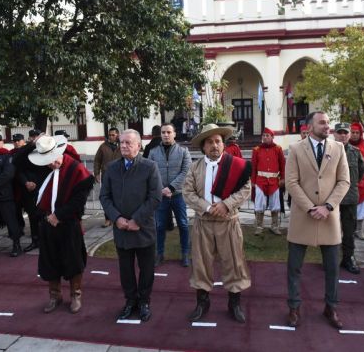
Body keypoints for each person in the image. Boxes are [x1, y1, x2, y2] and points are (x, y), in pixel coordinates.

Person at [285, 111, 350, 329]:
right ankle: (294, 306)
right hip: (303, 216)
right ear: (309, 127)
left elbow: (344, 181)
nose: (327, 126)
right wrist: (311, 208)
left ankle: (331, 307)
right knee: (294, 267)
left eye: (328, 122)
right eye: (322, 123)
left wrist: (328, 207)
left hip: (329, 217)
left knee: (332, 268)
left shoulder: (338, 148)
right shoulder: (295, 149)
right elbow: (291, 182)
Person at [183, 124, 252, 324]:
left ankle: (234, 303)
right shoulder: (195, 167)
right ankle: (202, 303)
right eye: (210, 142)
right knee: (201, 263)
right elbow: (187, 192)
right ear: (203, 147)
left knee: (234, 262)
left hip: (228, 222)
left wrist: (226, 204)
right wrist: (205, 206)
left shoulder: (236, 165)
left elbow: (245, 188)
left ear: (223, 144)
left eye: (218, 141)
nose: (215, 145)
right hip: (203, 223)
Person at [100, 129, 162, 322]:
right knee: (125, 269)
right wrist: (117, 218)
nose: (124, 146)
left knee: (146, 269)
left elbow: (155, 196)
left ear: (139, 145)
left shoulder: (149, 167)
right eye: (122, 142)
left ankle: (144, 301)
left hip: (143, 228)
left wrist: (137, 220)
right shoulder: (111, 168)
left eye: (128, 142)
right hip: (121, 229)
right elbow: (104, 196)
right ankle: (130, 301)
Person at [28, 135, 93, 314]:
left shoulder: (77, 169)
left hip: (69, 223)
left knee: (73, 261)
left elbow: (78, 201)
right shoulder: (43, 170)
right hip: (47, 223)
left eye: (52, 159)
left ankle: (75, 295)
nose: (51, 164)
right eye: (46, 161)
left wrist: (59, 215)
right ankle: (55, 295)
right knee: (50, 261)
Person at [148, 123, 192, 267]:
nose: (166, 135)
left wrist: (171, 187)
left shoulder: (183, 151)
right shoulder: (153, 152)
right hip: (160, 196)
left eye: (168, 132)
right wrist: (161, 189)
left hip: (178, 195)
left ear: (174, 134)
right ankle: (159, 254)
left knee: (183, 225)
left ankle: (185, 254)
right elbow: (151, 173)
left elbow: (186, 171)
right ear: (160, 134)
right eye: (163, 132)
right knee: (159, 226)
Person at [11, 130, 50, 252]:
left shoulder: (46, 150)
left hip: (43, 187)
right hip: (28, 188)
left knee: (45, 215)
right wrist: (26, 182)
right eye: (32, 137)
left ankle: (47, 240)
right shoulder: (26, 151)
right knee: (32, 216)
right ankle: (35, 240)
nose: (34, 139)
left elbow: (48, 171)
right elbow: (17, 165)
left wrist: (37, 184)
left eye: (36, 137)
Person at [334, 123, 364, 274]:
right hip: (331, 198)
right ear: (334, 134)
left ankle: (348, 258)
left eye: (345, 133)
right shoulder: (328, 151)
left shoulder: (356, 152)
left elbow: (360, 172)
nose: (343, 135)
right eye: (340, 133)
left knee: (349, 231)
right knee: (331, 231)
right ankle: (331, 259)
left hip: (350, 197)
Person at [251, 128, 285, 236]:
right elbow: (253, 167)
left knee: (275, 204)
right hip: (260, 181)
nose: (265, 137)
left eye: (267, 136)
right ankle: (259, 227)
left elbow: (282, 165)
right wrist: (253, 181)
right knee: (259, 204)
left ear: (272, 137)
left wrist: (283, 178)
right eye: (263, 135)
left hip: (274, 181)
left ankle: (274, 226)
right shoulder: (256, 150)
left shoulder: (278, 149)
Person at [94, 127, 122, 227]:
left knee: (119, 197)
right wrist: (96, 173)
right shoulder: (103, 146)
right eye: (109, 135)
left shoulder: (122, 145)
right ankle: (107, 219)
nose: (111, 137)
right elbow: (97, 160)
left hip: (120, 176)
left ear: (118, 135)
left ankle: (118, 218)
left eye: (113, 135)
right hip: (106, 176)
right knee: (106, 198)